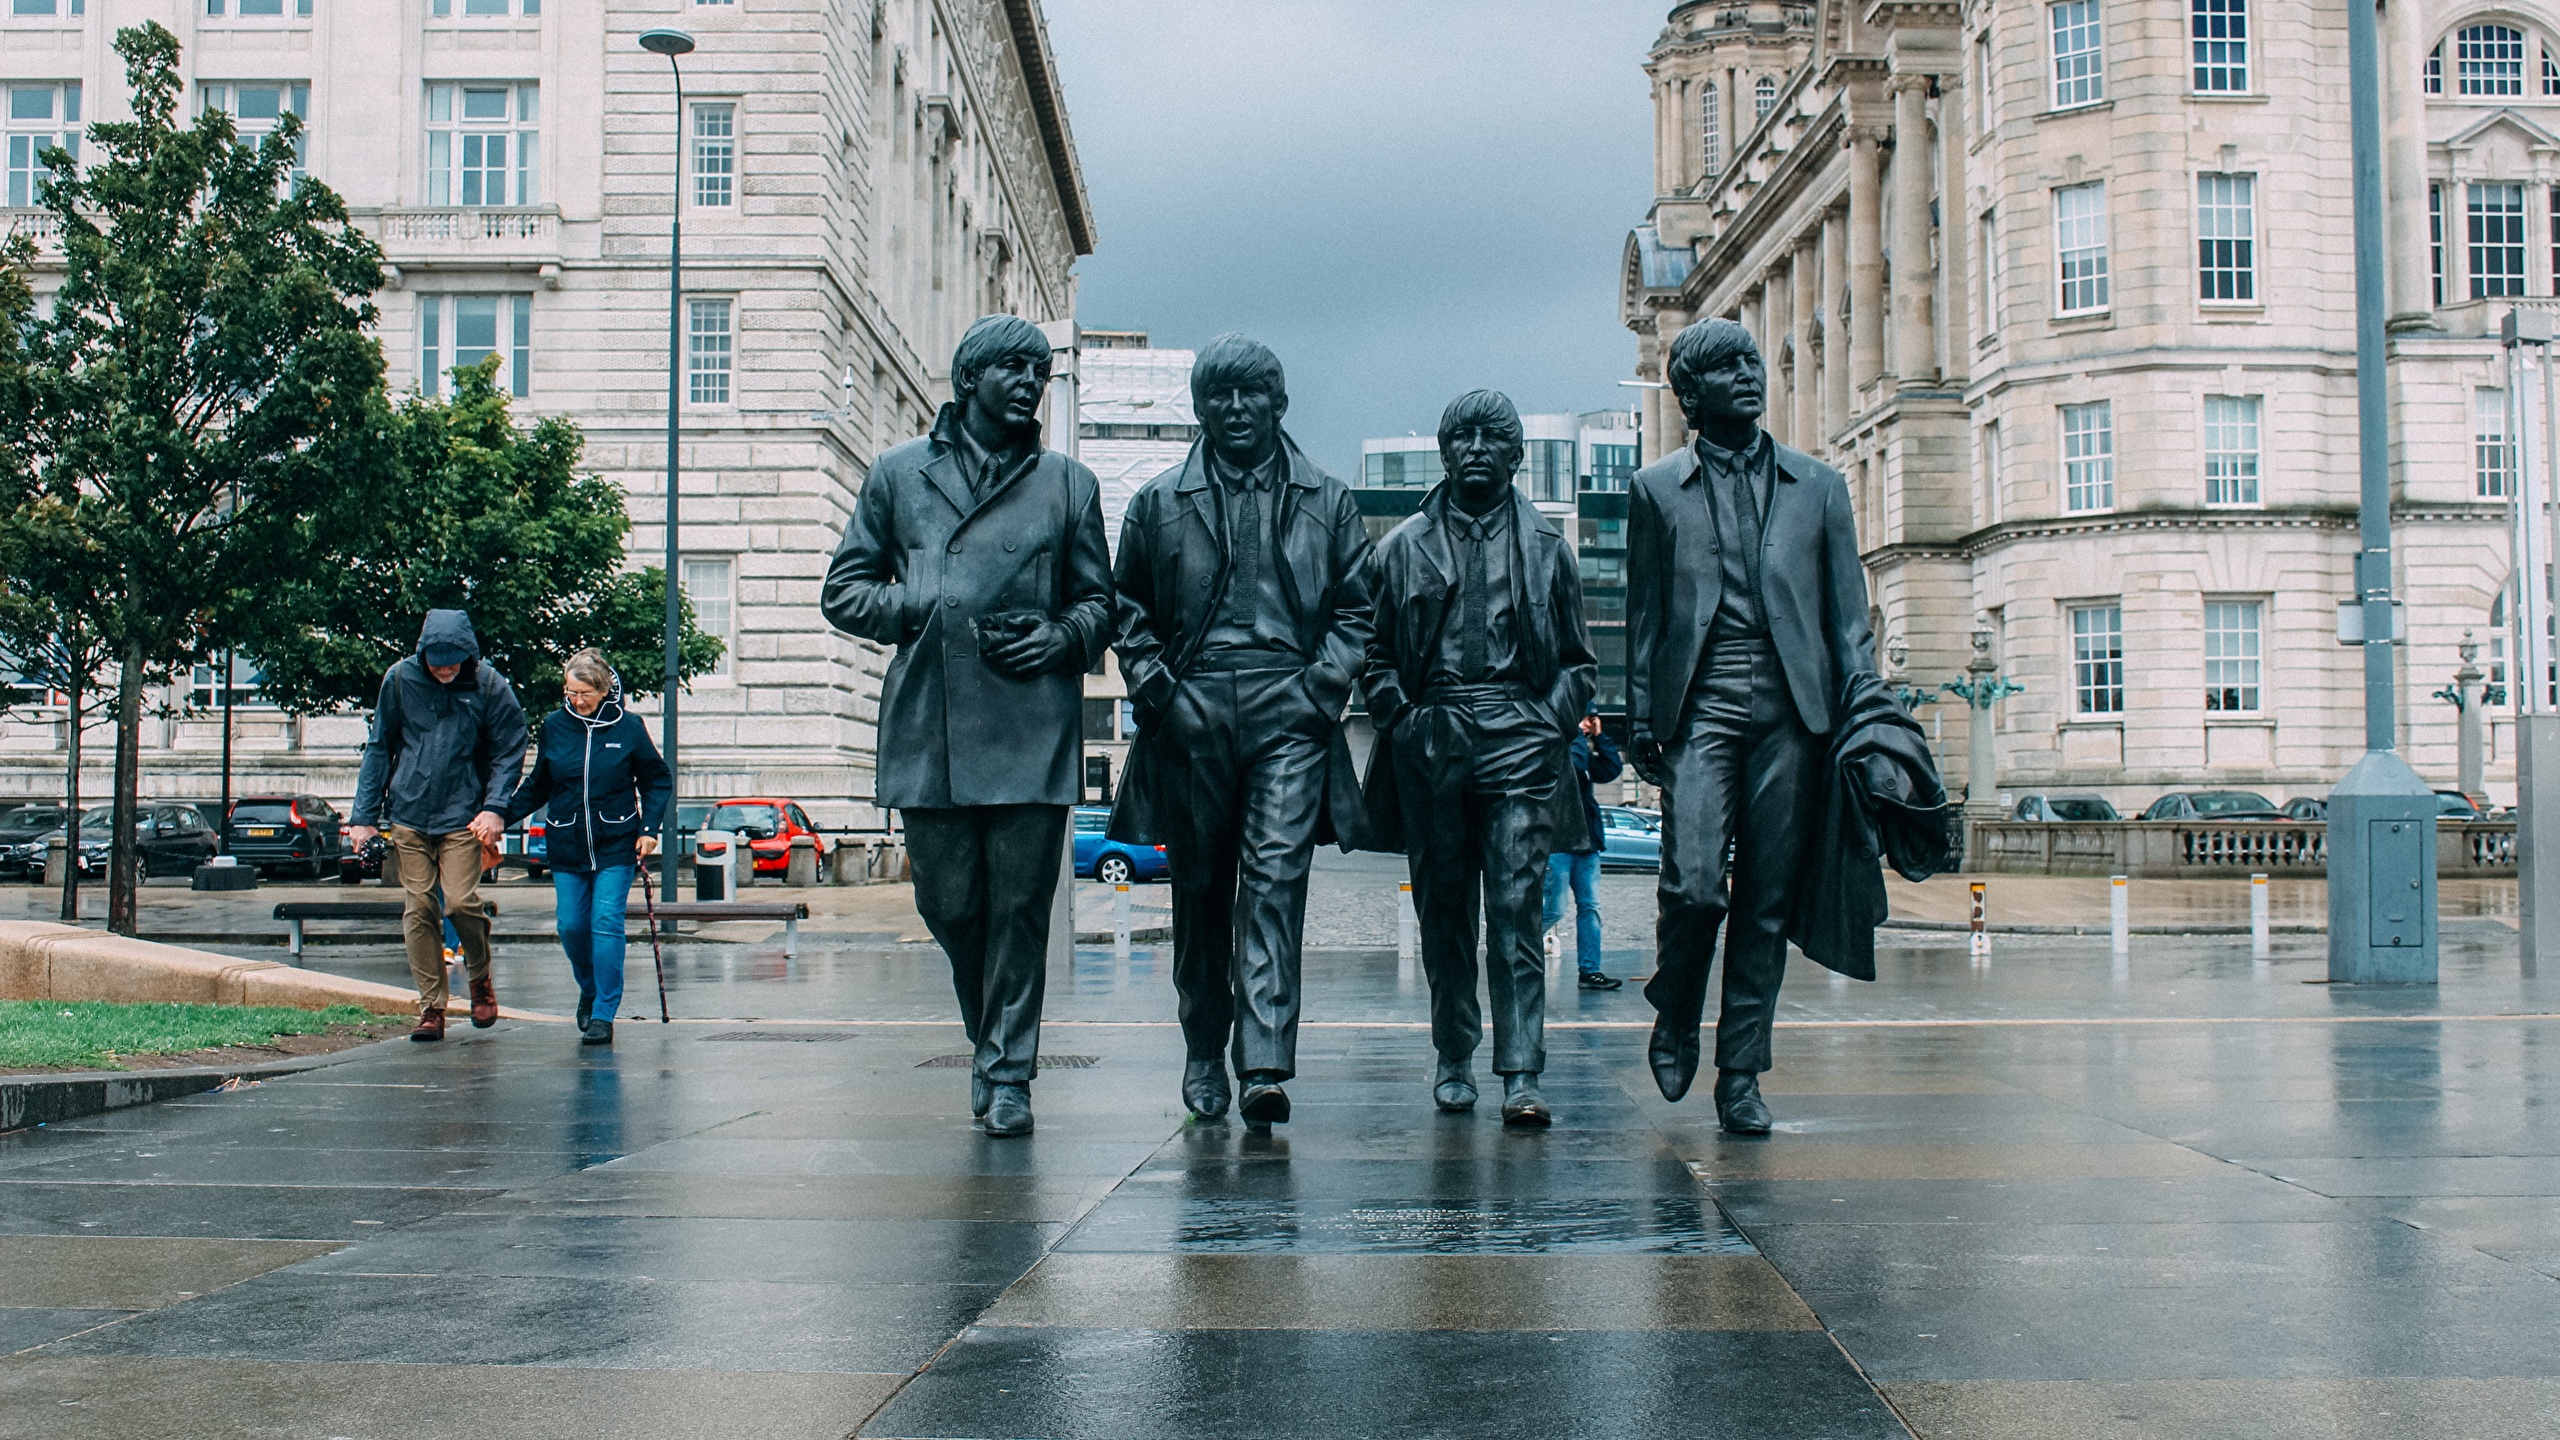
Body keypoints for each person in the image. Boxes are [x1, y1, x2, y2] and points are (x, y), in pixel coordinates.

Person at [820, 314, 1112, 1138]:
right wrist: (917, 602)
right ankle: (991, 1039)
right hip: (931, 723)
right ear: (971, 379)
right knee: (949, 904)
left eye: (1040, 373)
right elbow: (844, 591)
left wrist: (1063, 636)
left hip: (1029, 722)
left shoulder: (1067, 484)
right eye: (1014, 370)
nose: (1030, 384)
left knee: (1021, 909)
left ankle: (1009, 1073)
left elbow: (1101, 602)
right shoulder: (898, 474)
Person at [1108, 334, 1374, 1127]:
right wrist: (1161, 691)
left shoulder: (1328, 499)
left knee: (1273, 880)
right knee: (1199, 890)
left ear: (1278, 402)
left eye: (1249, 393)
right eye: (1218, 395)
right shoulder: (1158, 501)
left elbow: (1356, 609)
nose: (1233, 409)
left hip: (1289, 708)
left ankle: (1262, 1060)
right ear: (1199, 407)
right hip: (1191, 709)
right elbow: (1130, 611)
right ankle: (1202, 1047)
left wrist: (1319, 687)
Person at [1626, 317, 1878, 1134]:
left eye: (1750, 361)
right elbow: (1645, 621)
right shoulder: (1657, 489)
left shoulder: (1821, 486)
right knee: (1694, 887)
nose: (1748, 375)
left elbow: (1849, 622)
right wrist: (1640, 716)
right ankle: (1675, 1006)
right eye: (1725, 367)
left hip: (1793, 714)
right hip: (1701, 707)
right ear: (1690, 395)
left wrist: (1863, 712)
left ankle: (1742, 1072)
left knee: (1766, 900)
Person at [1360, 390, 1595, 1126]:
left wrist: (1545, 724)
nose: (1476, 449)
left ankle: (1522, 1070)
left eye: (1493, 437)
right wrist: (1404, 719)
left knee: (1519, 911)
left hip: (1518, 736)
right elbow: (1371, 654)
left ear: (1517, 454)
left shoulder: (1549, 548)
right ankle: (1454, 1054)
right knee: (1445, 912)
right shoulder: (1399, 549)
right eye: (1461, 436)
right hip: (1435, 735)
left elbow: (1577, 663)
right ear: (1444, 450)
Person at [346, 609, 530, 1042]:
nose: (445, 668)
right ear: (422, 654)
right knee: (420, 907)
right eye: (436, 660)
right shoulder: (399, 679)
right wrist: (363, 818)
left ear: (468, 654)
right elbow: (379, 747)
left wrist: (495, 807)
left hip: (464, 816)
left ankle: (480, 976)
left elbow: (510, 748)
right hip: (409, 813)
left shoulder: (488, 684)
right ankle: (432, 1007)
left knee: (460, 903)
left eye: (453, 660)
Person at [498, 649, 672, 1046]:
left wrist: (649, 828)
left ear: (603, 690)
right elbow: (538, 784)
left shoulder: (628, 728)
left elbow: (657, 780)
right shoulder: (555, 726)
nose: (576, 700)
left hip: (615, 844)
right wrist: (497, 817)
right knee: (571, 926)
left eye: (584, 694)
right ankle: (589, 986)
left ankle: (604, 1014)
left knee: (605, 922)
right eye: (570, 692)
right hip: (567, 842)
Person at [1543, 706, 1625, 991]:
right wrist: (1577, 731)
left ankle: (1590, 972)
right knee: (1553, 908)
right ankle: (1516, 952)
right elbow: (1575, 767)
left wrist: (1601, 738)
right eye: (1586, 718)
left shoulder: (1583, 750)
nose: (1589, 724)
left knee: (1590, 908)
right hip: (1561, 840)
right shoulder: (1560, 746)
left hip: (1587, 843)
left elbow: (1611, 769)